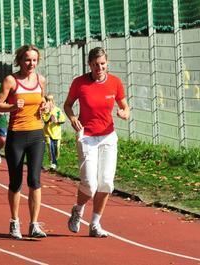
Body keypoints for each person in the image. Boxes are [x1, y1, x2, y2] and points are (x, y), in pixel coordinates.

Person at [64, 47, 130, 237]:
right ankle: (78, 209)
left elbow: (125, 106)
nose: (99, 68)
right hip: (87, 137)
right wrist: (72, 117)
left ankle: (95, 224)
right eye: (95, 65)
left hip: (108, 136)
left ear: (106, 63)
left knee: (106, 183)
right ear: (89, 65)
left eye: (102, 64)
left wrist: (124, 113)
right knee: (90, 184)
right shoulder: (80, 83)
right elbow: (68, 104)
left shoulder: (115, 82)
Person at [0, 45, 47, 239]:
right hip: (17, 135)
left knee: (35, 180)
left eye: (34, 60)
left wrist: (45, 106)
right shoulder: (11, 80)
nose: (31, 64)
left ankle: (34, 224)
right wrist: (12, 106)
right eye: (27, 60)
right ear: (20, 60)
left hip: (36, 135)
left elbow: (42, 102)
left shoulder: (40, 80)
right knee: (16, 181)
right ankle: (14, 221)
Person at [42, 94, 65, 170]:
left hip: (56, 133)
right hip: (48, 133)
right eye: (47, 100)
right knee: (50, 146)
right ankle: (53, 162)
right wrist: (49, 114)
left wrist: (57, 121)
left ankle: (55, 160)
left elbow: (63, 119)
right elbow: (45, 120)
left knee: (57, 148)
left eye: (50, 100)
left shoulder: (58, 110)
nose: (49, 102)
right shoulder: (45, 111)